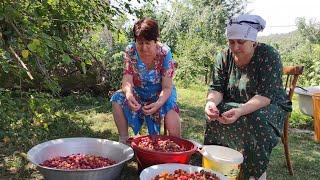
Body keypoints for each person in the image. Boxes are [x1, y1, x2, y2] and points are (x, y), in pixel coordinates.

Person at [204, 14, 292, 180]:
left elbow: (265, 96)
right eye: (231, 42)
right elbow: (216, 89)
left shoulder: (269, 55)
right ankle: (219, 167)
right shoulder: (223, 57)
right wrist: (210, 103)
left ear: (253, 40)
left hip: (270, 104)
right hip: (235, 102)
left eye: (241, 42)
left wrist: (240, 110)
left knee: (255, 118)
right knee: (216, 115)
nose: (235, 47)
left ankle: (255, 174)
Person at [110, 17, 181, 143]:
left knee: (171, 114)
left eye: (148, 43)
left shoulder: (165, 53)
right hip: (138, 92)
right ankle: (124, 141)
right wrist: (129, 94)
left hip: (161, 94)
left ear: (155, 41)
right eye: (140, 42)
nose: (143, 48)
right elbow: (127, 79)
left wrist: (158, 103)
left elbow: (167, 87)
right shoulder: (131, 51)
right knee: (117, 99)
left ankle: (176, 146)